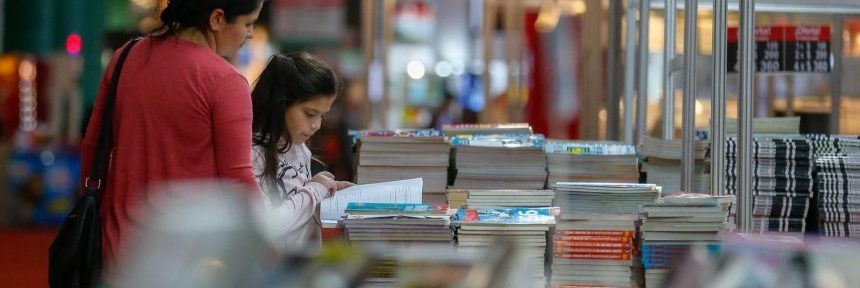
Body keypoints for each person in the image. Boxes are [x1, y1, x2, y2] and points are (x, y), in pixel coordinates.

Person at [79, 0, 264, 282]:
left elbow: (93, 148)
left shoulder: (124, 58)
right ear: (216, 18)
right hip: (190, 260)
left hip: (116, 252)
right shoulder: (225, 82)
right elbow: (237, 180)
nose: (250, 34)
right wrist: (273, 238)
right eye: (248, 23)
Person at [250, 52, 353, 251]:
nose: (316, 125)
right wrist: (314, 190)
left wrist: (327, 193)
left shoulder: (298, 147)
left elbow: (297, 206)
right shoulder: (254, 153)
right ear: (279, 103)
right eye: (309, 114)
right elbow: (270, 225)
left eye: (322, 116)